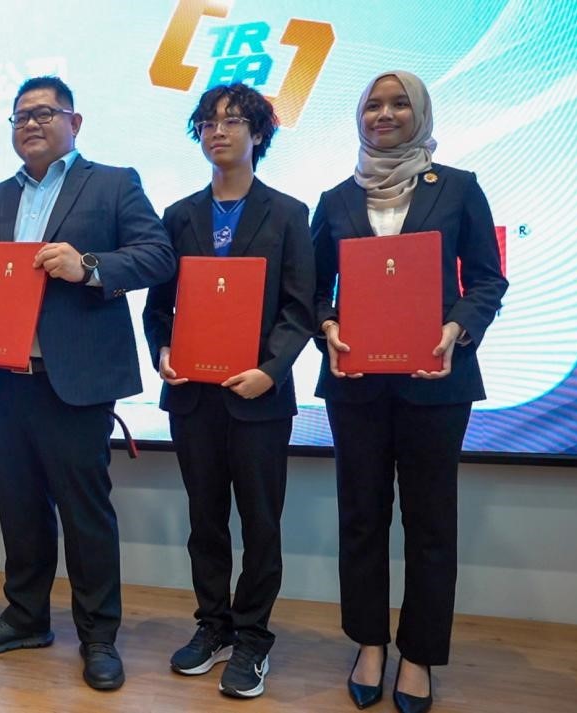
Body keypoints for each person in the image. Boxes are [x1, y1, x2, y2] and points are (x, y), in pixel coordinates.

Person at [0, 76, 175, 691]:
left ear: (75, 122)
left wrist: (88, 266)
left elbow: (158, 255)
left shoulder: (113, 183)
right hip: (9, 377)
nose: (30, 123)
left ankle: (98, 636)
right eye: (20, 116)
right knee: (20, 508)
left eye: (45, 113)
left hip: (75, 379)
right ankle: (25, 618)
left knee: (84, 513)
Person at [312, 71, 507, 712]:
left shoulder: (458, 187)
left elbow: (487, 280)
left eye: (399, 104)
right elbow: (312, 291)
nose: (385, 114)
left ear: (419, 113)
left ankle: (418, 653)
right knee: (361, 517)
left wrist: (457, 328)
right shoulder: (336, 199)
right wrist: (328, 326)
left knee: (430, 524)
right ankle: (370, 643)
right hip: (356, 385)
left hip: (437, 384)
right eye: (373, 104)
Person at [143, 83, 315, 699]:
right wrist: (163, 352)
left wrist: (271, 369)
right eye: (208, 122)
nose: (218, 131)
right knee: (205, 520)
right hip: (194, 397)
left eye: (233, 120)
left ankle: (253, 638)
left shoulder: (289, 213)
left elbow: (300, 308)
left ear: (258, 133)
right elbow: (159, 307)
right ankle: (212, 625)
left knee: (261, 522)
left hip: (259, 397)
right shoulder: (178, 215)